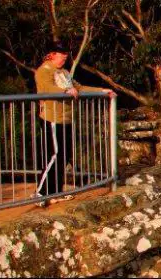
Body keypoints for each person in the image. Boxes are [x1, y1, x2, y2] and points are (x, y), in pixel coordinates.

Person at [34, 44, 116, 207]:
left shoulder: (64, 73)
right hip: (52, 117)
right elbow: (47, 88)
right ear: (51, 55)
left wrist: (102, 90)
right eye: (61, 55)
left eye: (65, 55)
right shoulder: (44, 70)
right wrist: (65, 92)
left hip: (66, 118)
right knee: (55, 155)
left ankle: (56, 191)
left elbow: (78, 88)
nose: (64, 57)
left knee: (64, 155)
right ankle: (41, 193)